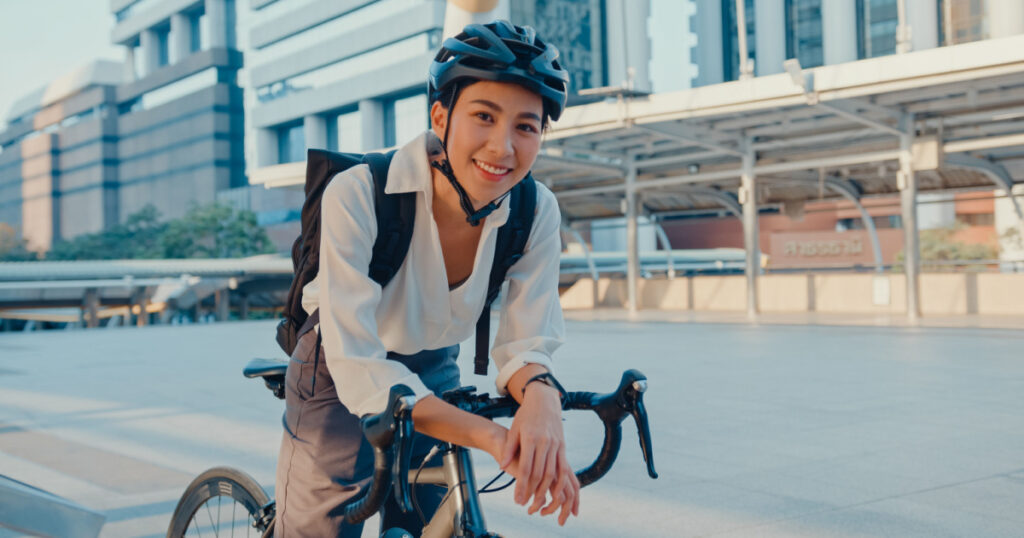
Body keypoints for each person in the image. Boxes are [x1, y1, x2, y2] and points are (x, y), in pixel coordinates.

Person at [274, 20, 575, 537]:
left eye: (526, 126)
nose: (503, 147)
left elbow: (526, 340)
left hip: (433, 361)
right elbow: (359, 368)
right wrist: (493, 438)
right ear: (441, 115)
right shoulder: (359, 193)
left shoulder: (534, 209)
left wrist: (544, 401)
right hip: (337, 362)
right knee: (325, 523)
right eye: (484, 116)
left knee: (430, 519)